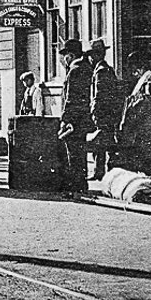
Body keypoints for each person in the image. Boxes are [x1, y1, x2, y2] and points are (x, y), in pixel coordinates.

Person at [116, 51, 151, 174]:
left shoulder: (148, 79)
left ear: (140, 67)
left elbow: (147, 100)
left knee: (146, 150)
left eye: (134, 69)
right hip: (143, 122)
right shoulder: (143, 80)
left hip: (146, 122)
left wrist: (132, 107)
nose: (133, 73)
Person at [58, 39, 93, 194]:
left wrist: (65, 119)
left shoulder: (75, 70)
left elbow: (71, 98)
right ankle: (81, 184)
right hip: (83, 118)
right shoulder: (87, 68)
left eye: (66, 55)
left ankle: (75, 185)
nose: (64, 59)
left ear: (71, 55)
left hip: (73, 120)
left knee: (72, 153)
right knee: (80, 152)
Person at [87, 39, 122, 180]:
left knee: (101, 142)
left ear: (96, 55)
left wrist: (94, 111)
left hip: (102, 113)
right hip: (109, 112)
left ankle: (102, 171)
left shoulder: (100, 71)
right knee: (105, 141)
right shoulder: (108, 69)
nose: (90, 58)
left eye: (91, 55)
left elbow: (99, 95)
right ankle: (105, 171)